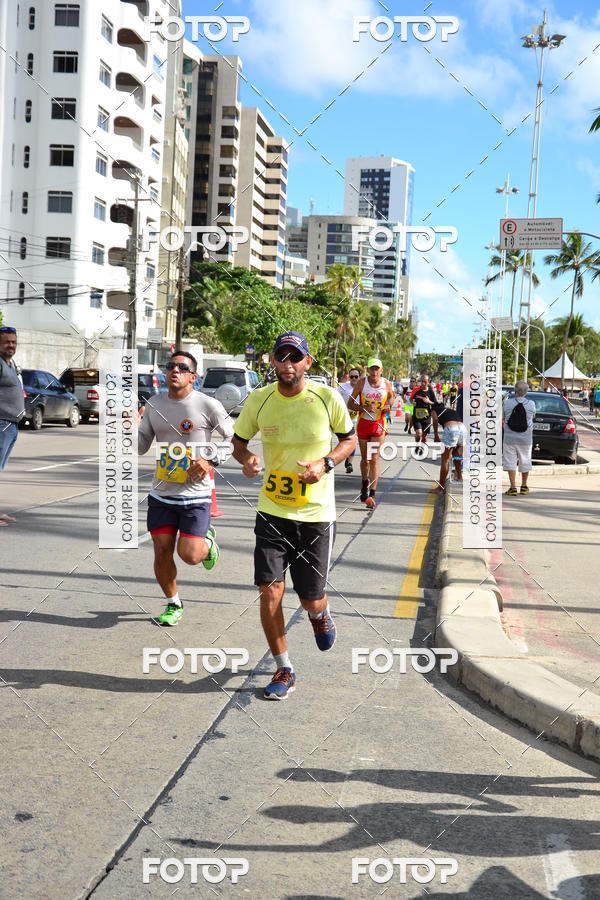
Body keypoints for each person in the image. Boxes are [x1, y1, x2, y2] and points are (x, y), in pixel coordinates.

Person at [232, 331, 356, 700]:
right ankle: (284, 668)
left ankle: (320, 615)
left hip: (316, 515)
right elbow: (238, 443)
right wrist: (248, 459)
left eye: (294, 357)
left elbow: (349, 440)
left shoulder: (326, 398)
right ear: (271, 361)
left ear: (307, 362)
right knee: (269, 591)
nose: (288, 364)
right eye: (281, 357)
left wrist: (325, 463)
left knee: (309, 597)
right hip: (272, 511)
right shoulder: (260, 399)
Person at [137, 350, 234, 625]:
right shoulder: (154, 404)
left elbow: (233, 436)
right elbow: (142, 445)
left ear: (193, 376)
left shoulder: (207, 404)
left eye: (181, 367)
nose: (174, 371)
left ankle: (208, 542)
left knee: (189, 555)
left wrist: (210, 460)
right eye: (170, 366)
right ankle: (173, 603)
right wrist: (130, 427)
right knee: (162, 550)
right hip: (162, 493)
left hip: (196, 495)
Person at [348, 357, 395, 509]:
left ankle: (372, 494)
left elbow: (391, 398)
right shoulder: (362, 383)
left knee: (374, 459)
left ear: (381, 370)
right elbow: (350, 403)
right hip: (363, 424)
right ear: (367, 370)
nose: (374, 371)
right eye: (372, 368)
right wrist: (364, 409)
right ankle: (364, 484)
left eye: (377, 369)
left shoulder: (386, 384)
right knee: (365, 460)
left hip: (378, 424)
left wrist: (388, 406)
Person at [0, 326, 24, 525]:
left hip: (11, 424)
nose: (11, 345)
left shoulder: (10, 364)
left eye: (13, 342)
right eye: (7, 341)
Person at [502, 380, 536, 496]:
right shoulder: (531, 404)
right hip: (525, 438)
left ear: (515, 391)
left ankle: (512, 487)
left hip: (509, 438)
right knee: (525, 460)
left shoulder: (507, 403)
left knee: (510, 461)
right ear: (526, 392)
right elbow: (533, 416)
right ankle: (524, 486)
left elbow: (503, 416)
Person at [432, 404, 467, 492]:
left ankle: (441, 486)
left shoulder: (434, 410)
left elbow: (435, 419)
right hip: (462, 429)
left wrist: (436, 435)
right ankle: (459, 477)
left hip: (451, 429)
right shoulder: (450, 411)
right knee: (457, 454)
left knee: (445, 459)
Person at [338, 367, 361, 473]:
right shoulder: (343, 388)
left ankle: (349, 463)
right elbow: (336, 398)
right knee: (344, 441)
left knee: (353, 440)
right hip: (343, 417)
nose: (354, 379)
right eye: (352, 376)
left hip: (355, 418)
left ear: (359, 377)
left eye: (356, 377)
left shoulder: (362, 388)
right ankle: (347, 457)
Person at [411, 374, 438, 455]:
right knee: (419, 433)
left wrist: (429, 402)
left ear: (428, 382)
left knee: (424, 436)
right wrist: (413, 402)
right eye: (422, 381)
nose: (423, 383)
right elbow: (411, 399)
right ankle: (417, 445)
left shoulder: (430, 392)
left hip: (426, 417)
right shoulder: (416, 390)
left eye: (425, 382)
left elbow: (436, 404)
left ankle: (422, 449)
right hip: (416, 416)